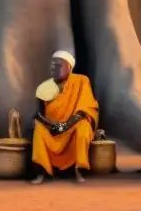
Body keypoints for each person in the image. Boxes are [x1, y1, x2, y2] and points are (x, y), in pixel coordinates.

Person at [31, 50, 99, 185]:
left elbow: (85, 109)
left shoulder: (81, 81)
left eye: (58, 65)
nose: (53, 68)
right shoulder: (44, 87)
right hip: (53, 129)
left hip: (73, 125)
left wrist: (66, 125)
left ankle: (79, 169)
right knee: (38, 129)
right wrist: (51, 125)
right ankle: (41, 171)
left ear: (69, 67)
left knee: (84, 127)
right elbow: (38, 114)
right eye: (52, 65)